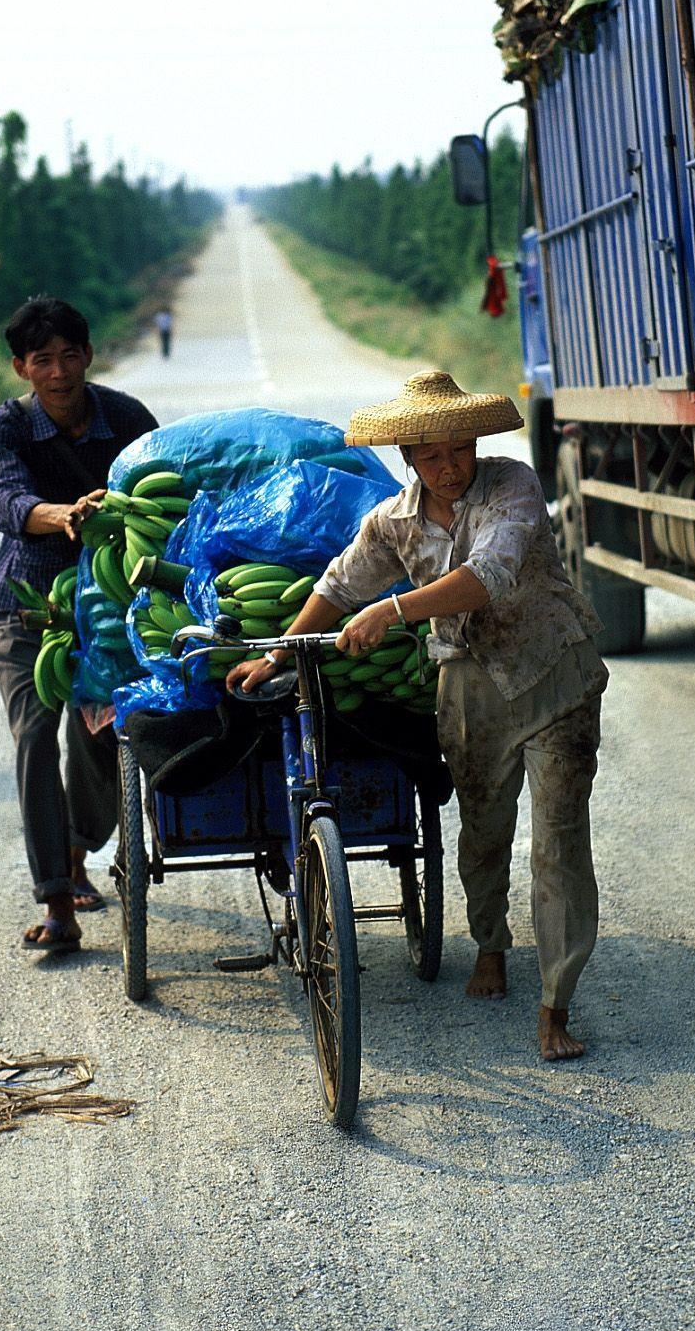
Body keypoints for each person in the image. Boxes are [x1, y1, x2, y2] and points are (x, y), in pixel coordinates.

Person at [228, 370, 608, 1060]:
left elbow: (489, 574)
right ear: (407, 458)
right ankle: (489, 942)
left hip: (554, 672)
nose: (448, 464)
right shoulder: (393, 522)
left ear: (475, 440)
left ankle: (556, 999)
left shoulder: (514, 485)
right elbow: (340, 585)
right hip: (469, 685)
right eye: (429, 454)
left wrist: (396, 608)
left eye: (457, 447)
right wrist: (279, 656)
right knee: (485, 829)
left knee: (559, 840)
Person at [0, 296, 158, 953]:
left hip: (106, 614)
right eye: (41, 359)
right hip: (30, 611)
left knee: (101, 739)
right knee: (34, 740)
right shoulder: (4, 430)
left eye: (68, 355)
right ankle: (57, 901)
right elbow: (9, 502)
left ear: (86, 355)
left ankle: (81, 849)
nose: (58, 371)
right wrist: (65, 515)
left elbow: (160, 493)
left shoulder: (128, 418)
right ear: (22, 366)